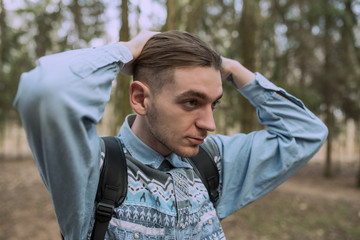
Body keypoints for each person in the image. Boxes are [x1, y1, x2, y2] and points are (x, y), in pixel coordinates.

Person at [14, 30, 328, 240]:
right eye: (191, 102)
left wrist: (230, 68)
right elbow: (45, 93)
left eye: (213, 103)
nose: (209, 123)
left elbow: (306, 132)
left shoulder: (211, 161)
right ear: (139, 98)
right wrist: (127, 50)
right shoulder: (93, 169)